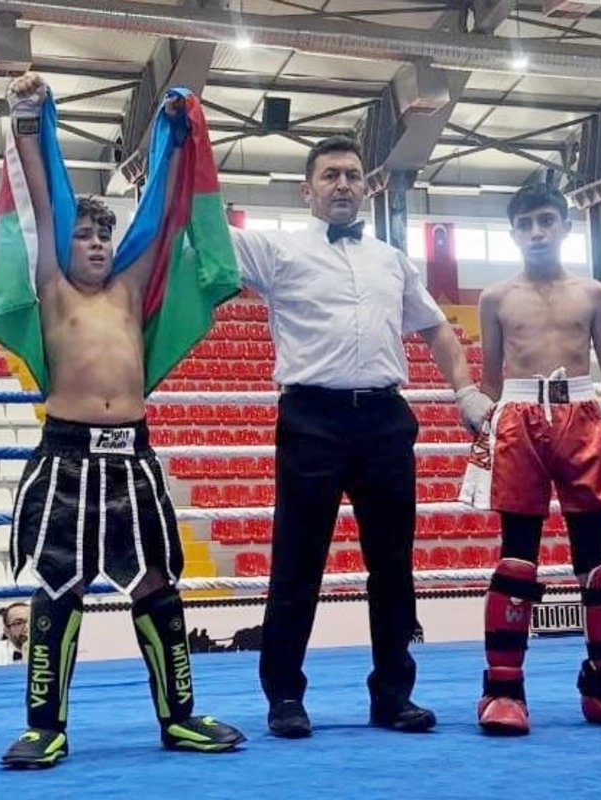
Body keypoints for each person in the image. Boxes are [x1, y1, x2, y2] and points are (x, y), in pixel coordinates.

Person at [0, 73, 244, 769]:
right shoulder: (53, 287)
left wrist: (175, 137)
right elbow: (39, 201)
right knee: (58, 587)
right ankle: (45, 727)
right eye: (85, 235)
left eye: (105, 234)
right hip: (67, 456)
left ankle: (180, 719)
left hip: (133, 456)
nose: (98, 244)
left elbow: (161, 217)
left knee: (157, 584)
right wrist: (27, 118)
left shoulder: (131, 291)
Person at [230, 135, 492, 738]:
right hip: (310, 418)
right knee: (297, 565)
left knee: (393, 566)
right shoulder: (275, 249)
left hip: (384, 419)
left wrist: (465, 391)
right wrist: (181, 149)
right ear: (307, 189)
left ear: (368, 187)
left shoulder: (392, 260)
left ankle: (394, 696)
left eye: (352, 174)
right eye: (330, 175)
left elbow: (437, 330)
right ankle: (284, 698)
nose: (343, 184)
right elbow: (202, 230)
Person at [461, 184, 601, 735]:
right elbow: (491, 380)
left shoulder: (595, 294)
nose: (537, 232)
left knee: (599, 561)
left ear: (565, 226)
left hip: (584, 416)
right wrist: (481, 427)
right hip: (517, 419)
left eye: (546, 220)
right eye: (525, 224)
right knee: (517, 558)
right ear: (513, 233)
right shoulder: (495, 298)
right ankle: (503, 691)